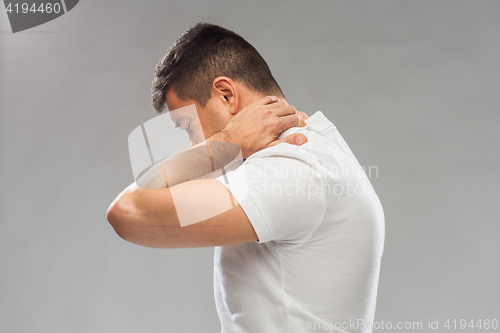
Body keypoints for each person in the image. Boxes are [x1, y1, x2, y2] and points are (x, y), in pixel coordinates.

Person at [107, 22, 385, 333]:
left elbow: (127, 212)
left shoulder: (292, 166)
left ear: (226, 94)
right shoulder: (315, 147)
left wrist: (225, 143)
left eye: (187, 127)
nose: (192, 144)